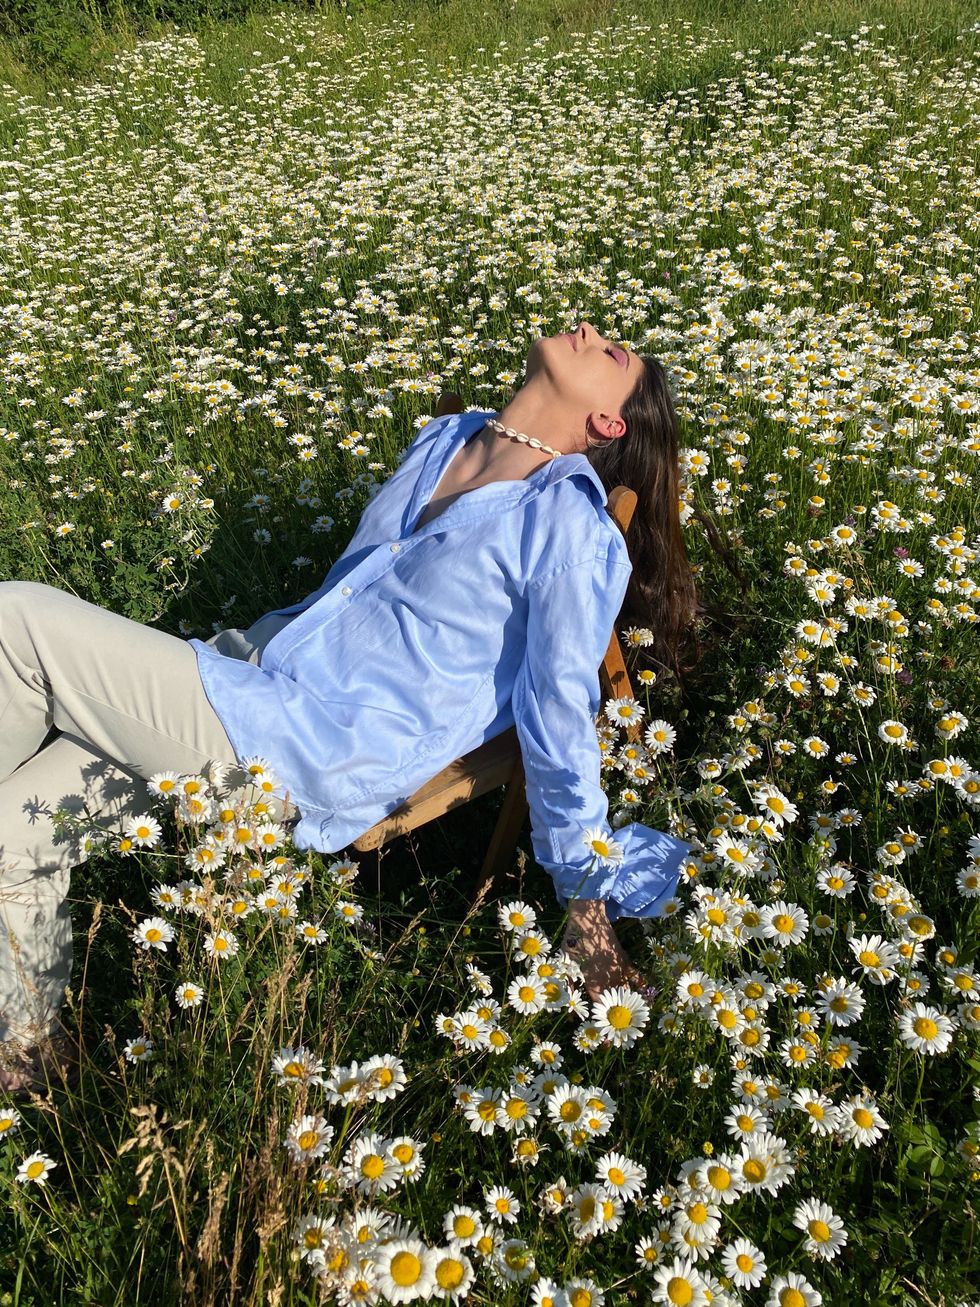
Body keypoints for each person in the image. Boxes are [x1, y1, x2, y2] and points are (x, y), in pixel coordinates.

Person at [0, 321, 697, 1093]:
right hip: (249, 666)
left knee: (16, 620)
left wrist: (585, 907)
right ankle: (31, 1058)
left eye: (612, 353)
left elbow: (558, 712)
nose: (589, 330)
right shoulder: (447, 439)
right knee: (9, 832)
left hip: (306, 745)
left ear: (606, 424)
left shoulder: (568, 526)